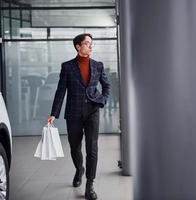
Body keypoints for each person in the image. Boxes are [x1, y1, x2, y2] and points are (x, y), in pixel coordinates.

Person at [47, 33, 110, 200]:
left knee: (92, 148)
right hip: (73, 112)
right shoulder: (67, 67)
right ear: (78, 46)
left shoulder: (98, 65)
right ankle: (79, 169)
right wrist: (54, 114)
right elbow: (61, 91)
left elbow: (107, 85)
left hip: (92, 111)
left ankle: (90, 184)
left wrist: (102, 100)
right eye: (87, 43)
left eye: (92, 43)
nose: (91, 46)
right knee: (75, 147)